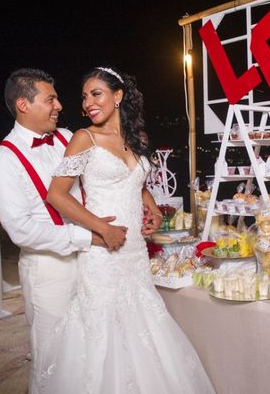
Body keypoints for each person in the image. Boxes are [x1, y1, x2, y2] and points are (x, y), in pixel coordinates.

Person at [0, 68, 160, 393]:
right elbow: (22, 230)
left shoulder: (69, 137)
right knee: (53, 361)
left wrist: (145, 197)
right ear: (24, 104)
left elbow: (118, 171)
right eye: (50, 99)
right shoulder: (3, 161)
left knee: (94, 353)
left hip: (96, 260)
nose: (59, 105)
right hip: (50, 271)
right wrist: (93, 235)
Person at [42, 67, 214, 393]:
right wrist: (101, 230)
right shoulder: (85, 139)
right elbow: (57, 195)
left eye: (96, 94)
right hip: (103, 255)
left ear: (117, 95)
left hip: (134, 253)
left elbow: (134, 180)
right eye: (84, 96)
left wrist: (152, 207)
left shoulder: (136, 139)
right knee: (104, 334)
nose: (88, 103)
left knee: (144, 326)